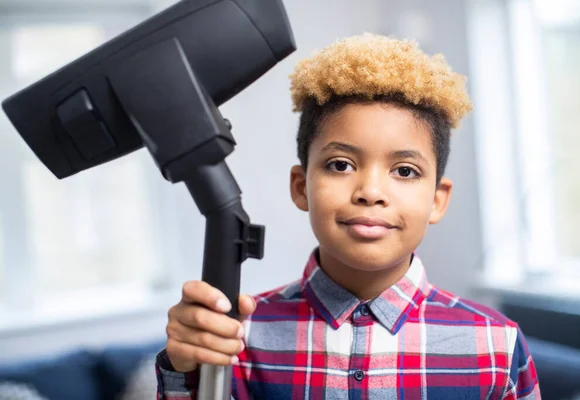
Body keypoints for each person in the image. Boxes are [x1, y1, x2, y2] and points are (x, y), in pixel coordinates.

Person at [155, 33, 541, 399]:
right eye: (340, 165)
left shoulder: (496, 345)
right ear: (301, 186)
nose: (370, 192)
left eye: (405, 171)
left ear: (437, 200)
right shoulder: (236, 336)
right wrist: (184, 370)